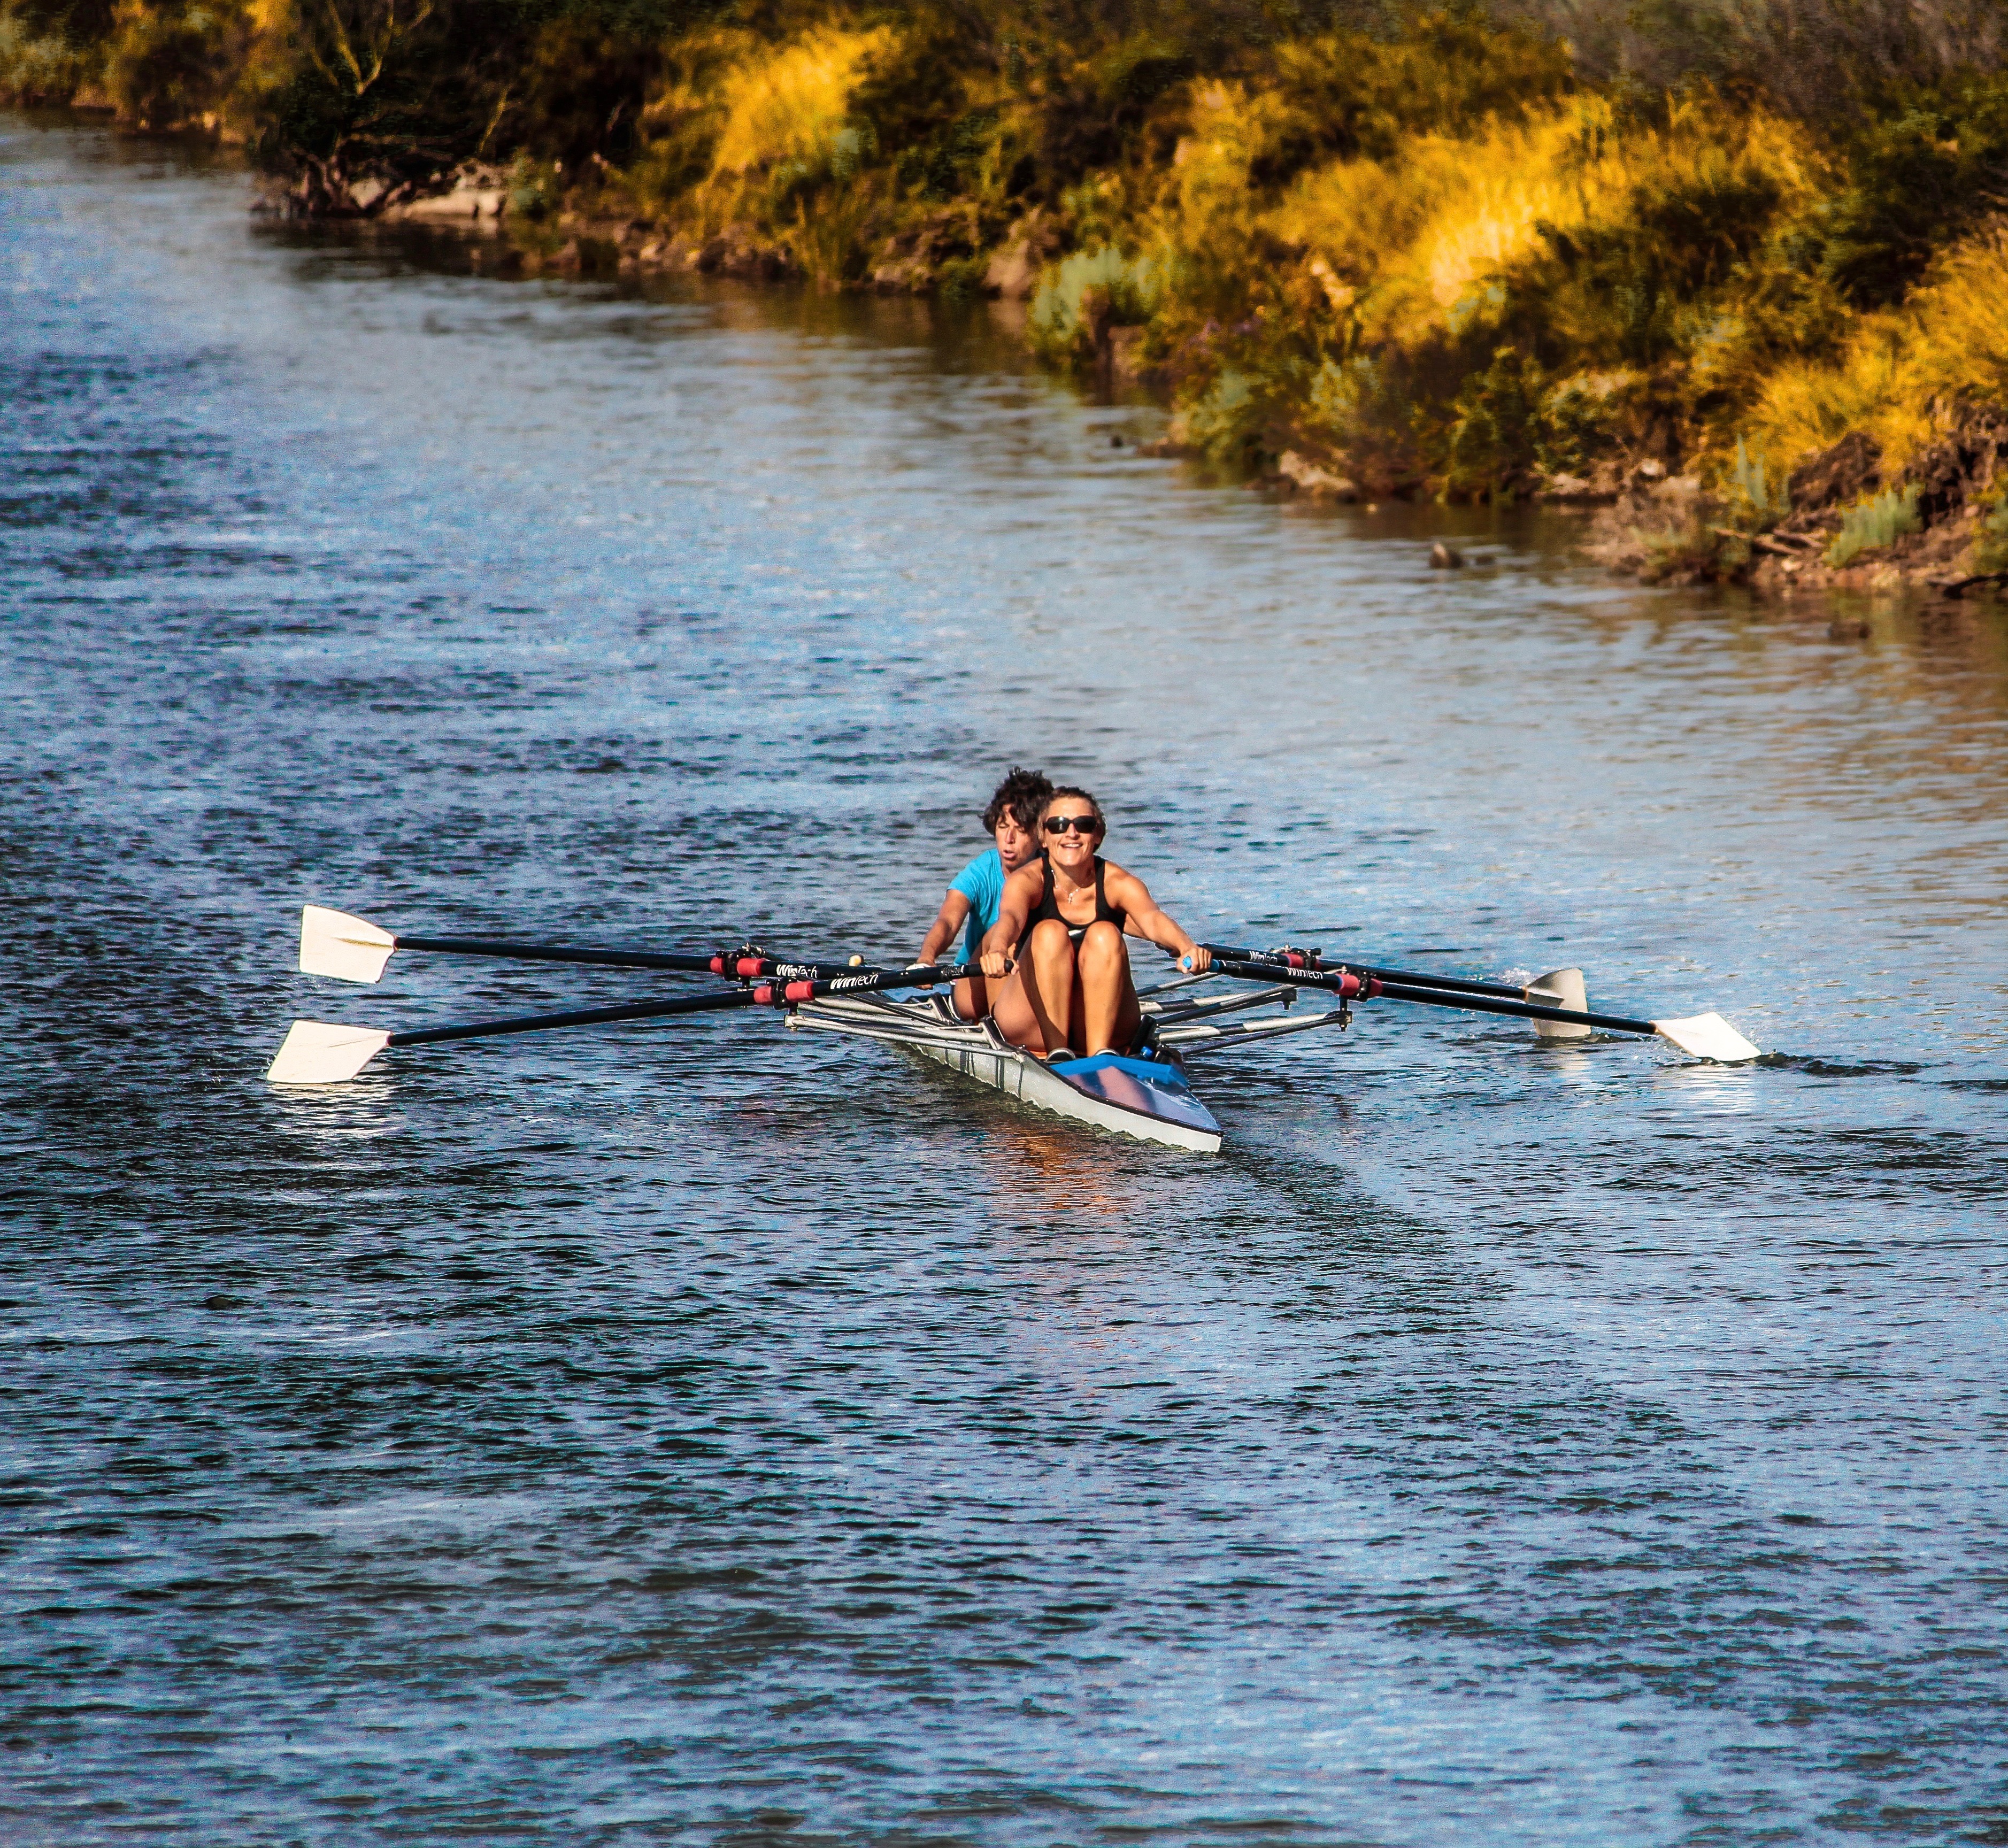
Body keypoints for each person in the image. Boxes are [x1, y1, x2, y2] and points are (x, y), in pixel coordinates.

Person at [980, 787, 1211, 1060]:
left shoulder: (1117, 882)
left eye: (1084, 825)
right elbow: (1011, 918)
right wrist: (997, 950)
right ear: (1042, 836)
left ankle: (1102, 1058)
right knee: (1049, 932)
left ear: (1098, 834)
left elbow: (1152, 919)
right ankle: (1058, 1055)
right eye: (1058, 825)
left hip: (1100, 1025)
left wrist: (1187, 947)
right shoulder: (1027, 882)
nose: (1071, 834)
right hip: (1032, 1025)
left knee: (1105, 933)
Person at [916, 767, 1053, 1020]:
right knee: (1004, 936)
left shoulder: (1055, 872)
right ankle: (1005, 1029)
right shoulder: (981, 871)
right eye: (1003, 827)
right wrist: (928, 958)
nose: (1008, 840)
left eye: (1021, 830)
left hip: (1030, 979)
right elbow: (947, 922)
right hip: (972, 986)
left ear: (1040, 835)